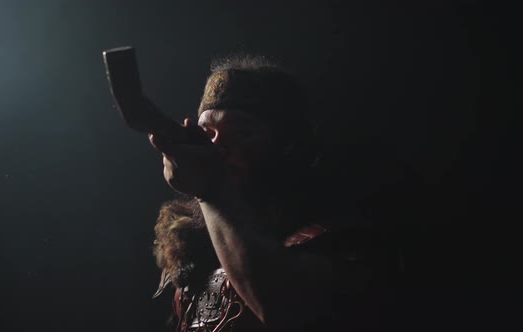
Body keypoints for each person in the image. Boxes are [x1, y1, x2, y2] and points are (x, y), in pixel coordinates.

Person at [149, 54, 401, 331]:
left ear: (288, 146)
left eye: (243, 133)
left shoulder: (338, 236)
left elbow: (285, 310)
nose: (218, 147)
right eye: (208, 133)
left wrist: (210, 190)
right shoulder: (195, 251)